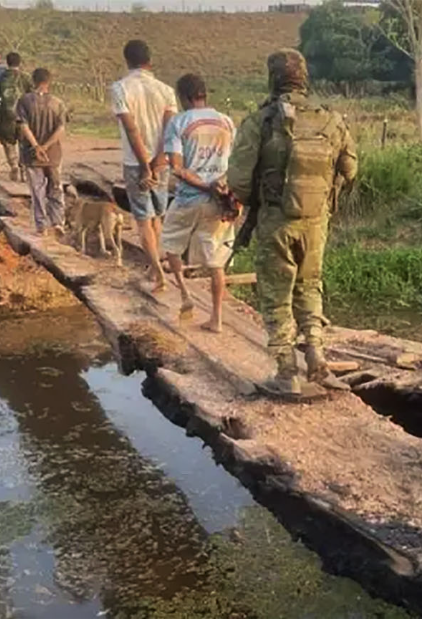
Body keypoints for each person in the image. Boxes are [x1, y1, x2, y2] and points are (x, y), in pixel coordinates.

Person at [227, 48, 357, 396]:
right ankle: (316, 360)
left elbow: (238, 181)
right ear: (305, 78)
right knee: (310, 285)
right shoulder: (330, 120)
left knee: (275, 293)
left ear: (272, 78)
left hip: (276, 219)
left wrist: (258, 196)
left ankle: (287, 372)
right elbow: (351, 168)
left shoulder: (261, 121)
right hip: (316, 221)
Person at [162, 73, 236, 333]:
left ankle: (184, 295)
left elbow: (178, 168)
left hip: (187, 199)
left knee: (170, 243)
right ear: (204, 94)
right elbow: (234, 163)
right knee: (216, 261)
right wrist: (220, 188)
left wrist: (204, 185)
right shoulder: (226, 122)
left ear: (184, 97)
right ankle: (216, 318)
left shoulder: (178, 123)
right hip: (219, 203)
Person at [110, 39, 178, 292]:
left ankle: (157, 272)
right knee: (157, 216)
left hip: (135, 163)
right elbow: (170, 128)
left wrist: (144, 166)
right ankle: (155, 264)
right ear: (150, 61)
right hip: (162, 163)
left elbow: (131, 128)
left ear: (127, 61)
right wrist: (159, 160)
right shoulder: (166, 90)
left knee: (142, 219)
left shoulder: (120, 89)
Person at [16, 67, 66, 236]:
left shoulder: (24, 101)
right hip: (53, 154)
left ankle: (41, 225)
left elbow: (24, 127)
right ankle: (58, 221)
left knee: (37, 190)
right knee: (56, 187)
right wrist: (46, 146)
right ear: (49, 82)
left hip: (31, 155)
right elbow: (61, 129)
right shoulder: (58, 103)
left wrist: (36, 146)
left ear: (33, 81)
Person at [0, 52, 33, 181]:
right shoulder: (26, 78)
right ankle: (23, 168)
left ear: (7, 62)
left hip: (6, 115)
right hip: (24, 116)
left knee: (8, 142)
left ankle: (13, 165)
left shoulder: (0, 78)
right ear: (20, 62)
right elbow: (32, 97)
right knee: (24, 143)